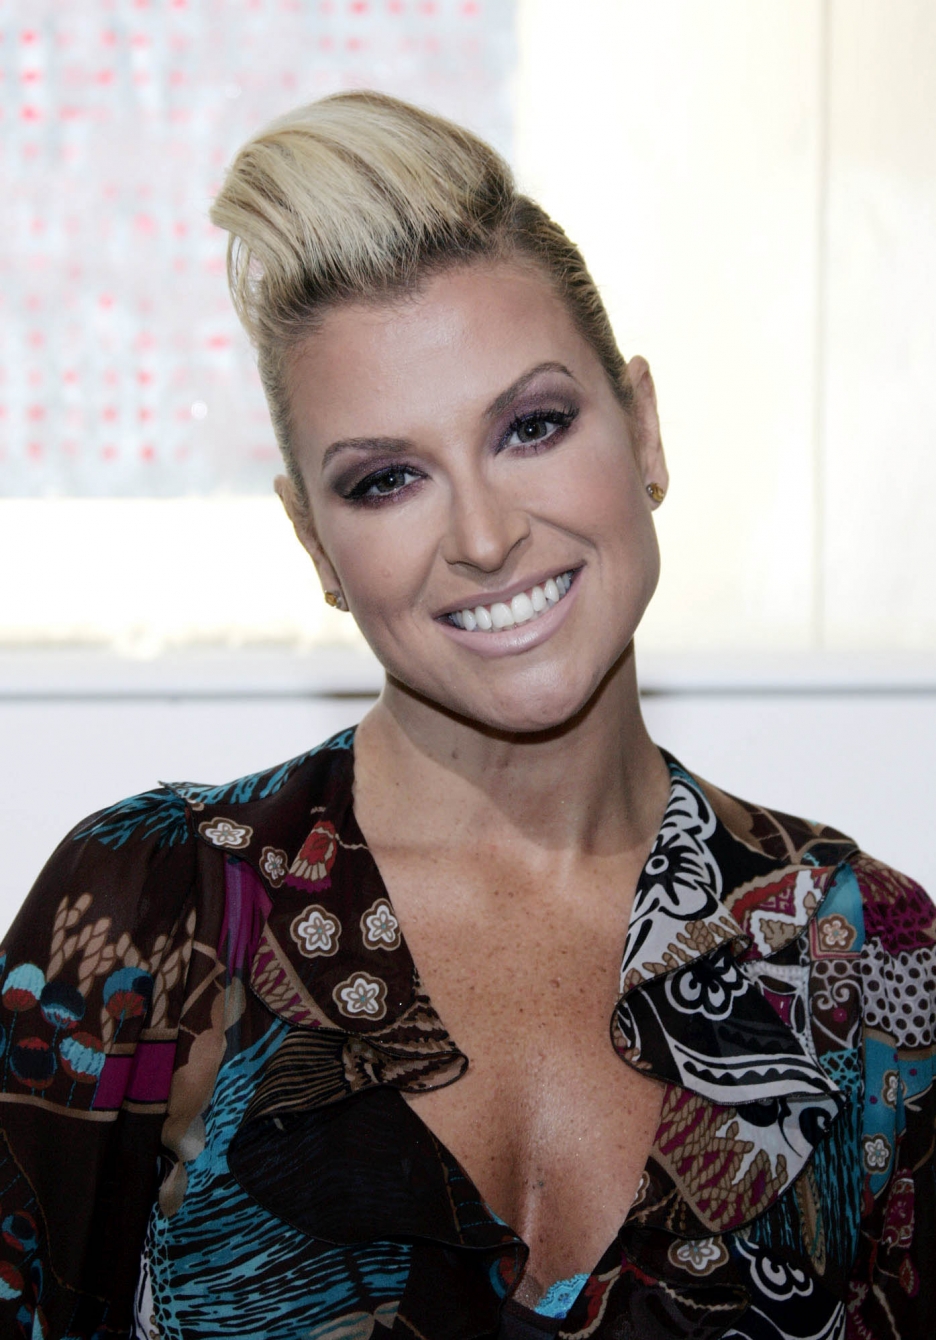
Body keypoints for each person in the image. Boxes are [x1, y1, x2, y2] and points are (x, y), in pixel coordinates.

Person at [0, 92, 932, 1340]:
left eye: (532, 426)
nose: (486, 537)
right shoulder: (157, 907)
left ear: (645, 430)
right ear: (315, 544)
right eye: (388, 479)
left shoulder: (865, 960)